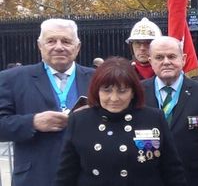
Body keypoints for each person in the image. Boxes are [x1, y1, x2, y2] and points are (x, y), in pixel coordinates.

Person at [56, 57, 186, 185]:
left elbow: (172, 171)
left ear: (133, 92)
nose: (114, 98)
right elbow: (66, 175)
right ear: (97, 91)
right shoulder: (80, 121)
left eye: (122, 91)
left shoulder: (153, 118)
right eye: (106, 90)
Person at [0, 19, 96, 186]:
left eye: (66, 41)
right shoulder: (12, 79)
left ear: (78, 47)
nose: (59, 47)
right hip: (36, 177)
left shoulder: (97, 79)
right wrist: (33, 122)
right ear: (40, 45)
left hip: (88, 175)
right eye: (51, 41)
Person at [141, 36, 198, 185]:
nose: (166, 61)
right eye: (159, 57)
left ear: (183, 59)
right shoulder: (137, 93)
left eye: (172, 56)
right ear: (151, 62)